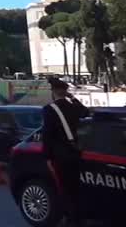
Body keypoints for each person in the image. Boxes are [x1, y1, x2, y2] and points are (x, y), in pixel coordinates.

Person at [42, 77, 89, 227]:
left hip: (60, 156)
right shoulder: (74, 108)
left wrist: (47, 157)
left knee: (64, 189)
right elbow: (86, 112)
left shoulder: (49, 110)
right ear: (65, 92)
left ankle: (71, 219)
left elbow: (47, 135)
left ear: (54, 92)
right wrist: (73, 98)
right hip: (76, 153)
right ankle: (79, 217)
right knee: (77, 188)